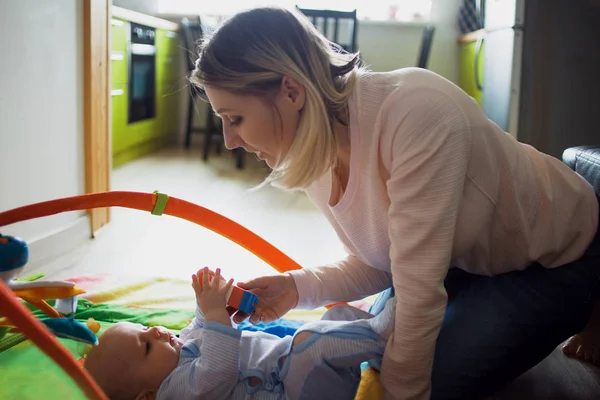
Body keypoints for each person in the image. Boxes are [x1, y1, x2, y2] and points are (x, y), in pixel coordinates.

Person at [189, 6, 600, 400]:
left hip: (556, 255)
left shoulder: (416, 113)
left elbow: (418, 293)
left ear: (291, 91)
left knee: (424, 378)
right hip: (466, 257)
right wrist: (297, 287)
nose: (229, 141)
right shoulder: (314, 146)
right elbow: (382, 259)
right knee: (375, 349)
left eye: (235, 118)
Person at [83, 268, 395, 400]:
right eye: (146, 346)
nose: (155, 330)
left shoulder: (177, 347)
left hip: (297, 370)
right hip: (294, 390)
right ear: (147, 396)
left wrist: (211, 303)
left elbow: (201, 327)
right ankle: (383, 332)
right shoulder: (175, 391)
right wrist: (219, 316)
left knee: (335, 318)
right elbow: (218, 370)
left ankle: (378, 347)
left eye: (144, 328)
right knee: (310, 340)